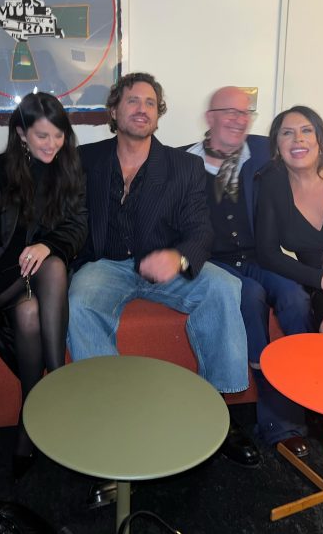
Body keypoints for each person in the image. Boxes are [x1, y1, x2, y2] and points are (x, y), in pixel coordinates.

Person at [67, 72, 251, 465]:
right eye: (133, 101)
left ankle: (220, 409)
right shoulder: (86, 160)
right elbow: (69, 219)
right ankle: (112, 408)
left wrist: (179, 258)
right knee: (80, 299)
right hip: (107, 265)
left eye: (150, 103)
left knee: (223, 286)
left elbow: (201, 230)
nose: (142, 109)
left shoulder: (184, 166)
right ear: (114, 111)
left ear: (158, 113)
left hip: (166, 262)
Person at [0, 92, 87, 476]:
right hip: (2, 277)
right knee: (51, 272)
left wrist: (49, 245)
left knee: (32, 309)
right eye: (43, 136)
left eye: (59, 135)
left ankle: (28, 424)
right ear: (21, 133)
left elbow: (78, 227)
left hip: (39, 284)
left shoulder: (70, 169)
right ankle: (58, 379)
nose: (52, 144)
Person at [187, 87, 313, 464]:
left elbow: (310, 166)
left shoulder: (261, 151)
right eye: (229, 111)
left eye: (245, 112)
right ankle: (279, 424)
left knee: (296, 297)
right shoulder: (183, 162)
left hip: (260, 255)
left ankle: (312, 398)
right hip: (215, 262)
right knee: (249, 295)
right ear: (210, 117)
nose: (238, 119)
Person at [256, 105, 323, 452]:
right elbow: (267, 253)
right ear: (277, 146)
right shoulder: (272, 185)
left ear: (320, 140)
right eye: (287, 133)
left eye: (306, 130)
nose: (297, 139)